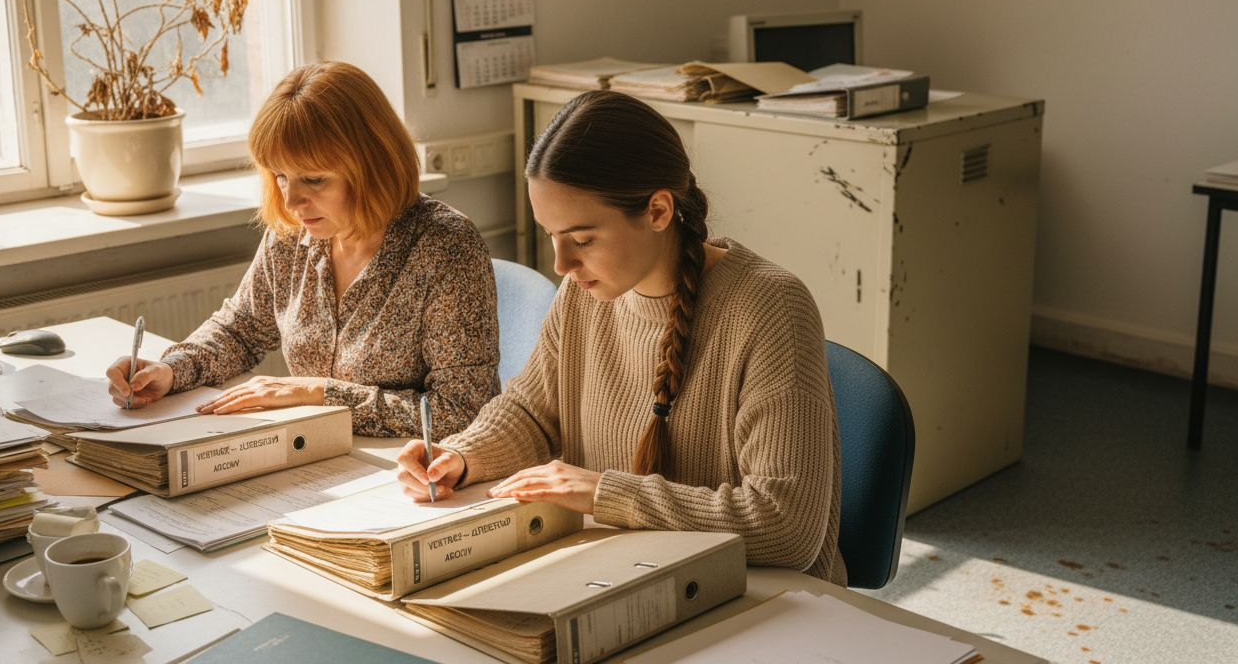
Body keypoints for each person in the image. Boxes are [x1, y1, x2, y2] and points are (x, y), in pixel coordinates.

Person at [395, 90, 846, 585]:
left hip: (766, 601)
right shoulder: (582, 294)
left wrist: (606, 494)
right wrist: (461, 455)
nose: (561, 265)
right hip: (628, 573)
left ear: (657, 211)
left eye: (583, 239)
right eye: (551, 235)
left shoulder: (771, 307)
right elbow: (531, 412)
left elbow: (786, 527)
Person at [105, 61, 500, 438]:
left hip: (408, 475)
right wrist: (172, 371)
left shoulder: (445, 247)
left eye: (314, 179)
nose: (292, 200)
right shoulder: (294, 233)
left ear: (373, 165)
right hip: (317, 457)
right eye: (281, 176)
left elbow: (461, 409)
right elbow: (240, 329)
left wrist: (319, 393)